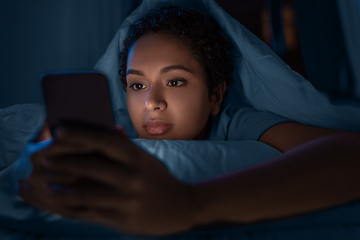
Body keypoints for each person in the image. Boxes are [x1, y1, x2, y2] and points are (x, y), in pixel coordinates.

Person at [19, 6, 360, 237]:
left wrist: (190, 204)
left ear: (215, 96)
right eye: (137, 85)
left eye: (175, 81)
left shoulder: (239, 124)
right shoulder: (117, 127)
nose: (151, 102)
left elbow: (351, 157)